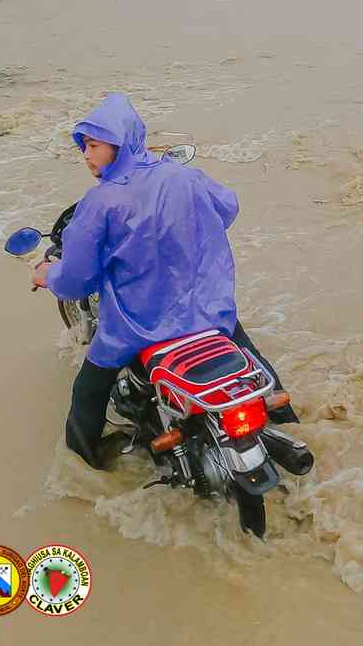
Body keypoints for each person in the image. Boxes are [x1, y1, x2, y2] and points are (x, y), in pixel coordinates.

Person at [29, 93, 297, 469]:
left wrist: (47, 274)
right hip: (207, 311)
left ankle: (84, 463)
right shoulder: (183, 175)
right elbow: (227, 207)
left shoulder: (101, 202)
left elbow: (75, 281)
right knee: (250, 356)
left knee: (88, 390)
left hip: (138, 328)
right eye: (83, 147)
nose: (87, 156)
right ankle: (288, 418)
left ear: (120, 144)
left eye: (93, 145)